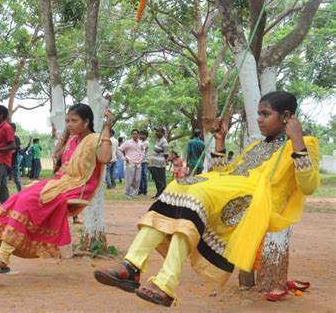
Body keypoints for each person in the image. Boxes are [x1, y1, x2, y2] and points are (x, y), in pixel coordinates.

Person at [94, 91, 320, 307]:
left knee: (195, 196)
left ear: (286, 117)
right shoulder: (255, 146)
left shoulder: (304, 143)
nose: (259, 119)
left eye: (265, 114)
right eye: (259, 113)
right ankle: (138, 269)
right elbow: (227, 173)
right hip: (229, 190)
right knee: (179, 190)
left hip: (256, 203)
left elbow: (308, 186)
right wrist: (220, 142)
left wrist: (297, 141)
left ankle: (155, 277)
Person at [0, 104, 113, 274]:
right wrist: (66, 136)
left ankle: (2, 256)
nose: (70, 124)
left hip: (76, 186)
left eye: (74, 121)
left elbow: (104, 157)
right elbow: (59, 159)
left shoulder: (95, 138)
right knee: (17, 197)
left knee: (26, 201)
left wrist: (106, 128)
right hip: (59, 182)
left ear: (86, 121)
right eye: (67, 121)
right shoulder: (72, 139)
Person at [0, 105, 15, 206]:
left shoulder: (6, 127)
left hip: (2, 161)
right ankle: (7, 207)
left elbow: (12, 145)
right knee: (2, 186)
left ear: (0, 114)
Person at [118, 129, 144, 199]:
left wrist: (141, 158)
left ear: (138, 135)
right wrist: (124, 158)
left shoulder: (141, 143)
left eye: (136, 134)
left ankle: (134, 194)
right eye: (133, 134)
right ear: (131, 135)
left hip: (138, 163)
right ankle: (127, 193)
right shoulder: (128, 142)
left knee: (137, 179)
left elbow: (142, 151)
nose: (134, 135)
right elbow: (119, 150)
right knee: (129, 179)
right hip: (130, 162)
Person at [148, 127, 169, 198]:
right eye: (156, 131)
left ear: (162, 133)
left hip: (160, 164)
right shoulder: (158, 141)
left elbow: (166, 154)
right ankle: (158, 193)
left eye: (158, 131)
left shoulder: (164, 142)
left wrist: (164, 162)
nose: (156, 133)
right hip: (155, 164)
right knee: (157, 180)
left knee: (160, 180)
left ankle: (162, 195)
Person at [10, 122, 22, 192]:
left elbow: (16, 149)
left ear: (14, 130)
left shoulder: (16, 138)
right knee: (4, 178)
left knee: (16, 178)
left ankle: (20, 192)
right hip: (6, 161)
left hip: (13, 161)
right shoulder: (6, 137)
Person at [138, 130, 149, 195]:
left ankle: (143, 190)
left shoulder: (145, 143)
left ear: (145, 136)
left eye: (142, 135)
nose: (140, 136)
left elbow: (140, 150)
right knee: (141, 176)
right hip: (141, 161)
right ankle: (141, 189)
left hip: (143, 161)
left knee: (143, 176)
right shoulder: (142, 142)